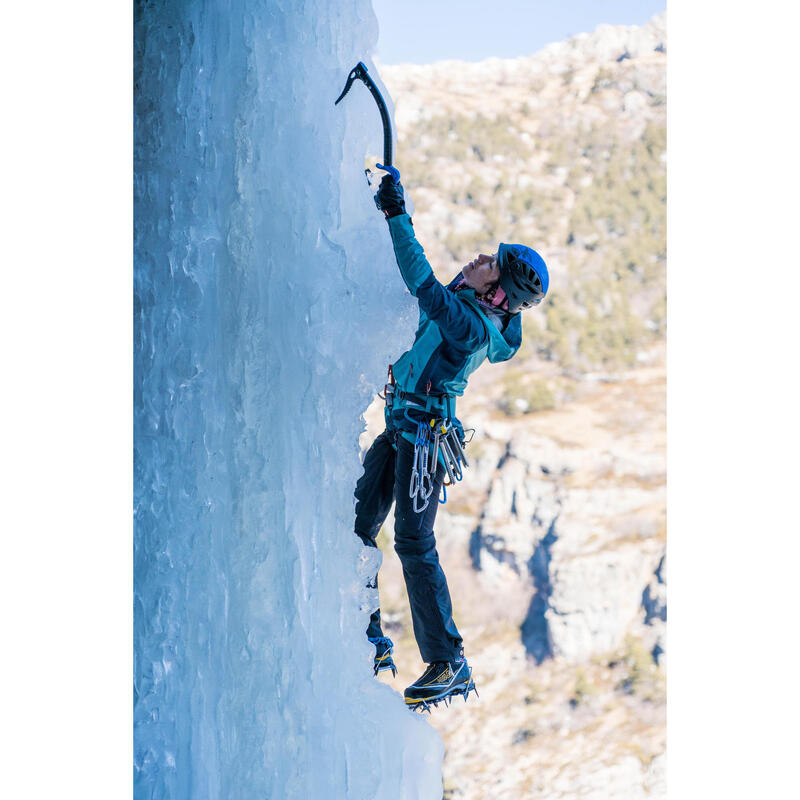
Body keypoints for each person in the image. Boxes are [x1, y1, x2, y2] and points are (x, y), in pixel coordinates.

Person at [354, 168, 549, 711]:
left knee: (414, 542)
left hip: (423, 441)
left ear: (496, 291)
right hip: (404, 429)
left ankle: (447, 661)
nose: (477, 259)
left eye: (489, 262)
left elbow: (423, 285)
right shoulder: (476, 313)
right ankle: (364, 630)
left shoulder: (469, 325)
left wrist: (396, 213)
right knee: (358, 526)